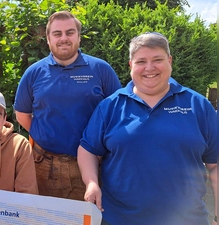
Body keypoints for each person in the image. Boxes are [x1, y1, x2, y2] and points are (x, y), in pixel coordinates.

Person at [77, 32, 218, 225]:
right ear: (131, 66)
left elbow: (215, 164)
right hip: (119, 219)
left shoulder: (198, 106)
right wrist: (91, 183)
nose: (149, 68)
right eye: (141, 61)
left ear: (170, 61)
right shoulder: (110, 106)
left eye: (157, 59)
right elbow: (88, 150)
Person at [13, 11, 121, 200]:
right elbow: (22, 114)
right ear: (48, 39)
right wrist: (46, 135)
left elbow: (117, 114)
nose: (64, 38)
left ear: (79, 37)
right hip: (42, 165)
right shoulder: (33, 73)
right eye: (57, 34)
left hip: (91, 167)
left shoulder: (101, 70)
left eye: (70, 32)